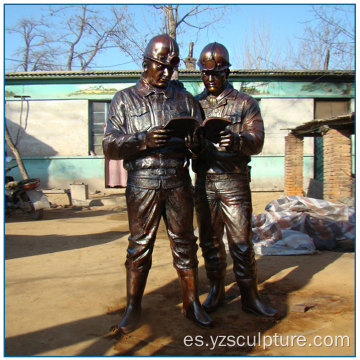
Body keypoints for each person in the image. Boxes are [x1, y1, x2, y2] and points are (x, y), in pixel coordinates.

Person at [103, 34, 213, 334]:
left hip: (178, 179)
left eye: (171, 66)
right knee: (140, 246)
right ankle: (132, 307)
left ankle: (192, 304)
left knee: (185, 244)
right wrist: (142, 140)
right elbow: (110, 146)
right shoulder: (124, 99)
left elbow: (200, 150)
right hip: (143, 181)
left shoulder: (186, 101)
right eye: (160, 66)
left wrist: (195, 144)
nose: (166, 72)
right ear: (145, 63)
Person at [193, 42, 279, 318]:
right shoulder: (194, 104)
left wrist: (238, 140)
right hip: (204, 181)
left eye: (215, 74)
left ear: (227, 72)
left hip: (234, 182)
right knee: (209, 242)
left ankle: (249, 296)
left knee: (241, 243)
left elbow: (258, 140)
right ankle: (216, 289)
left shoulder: (245, 103)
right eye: (205, 74)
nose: (210, 79)